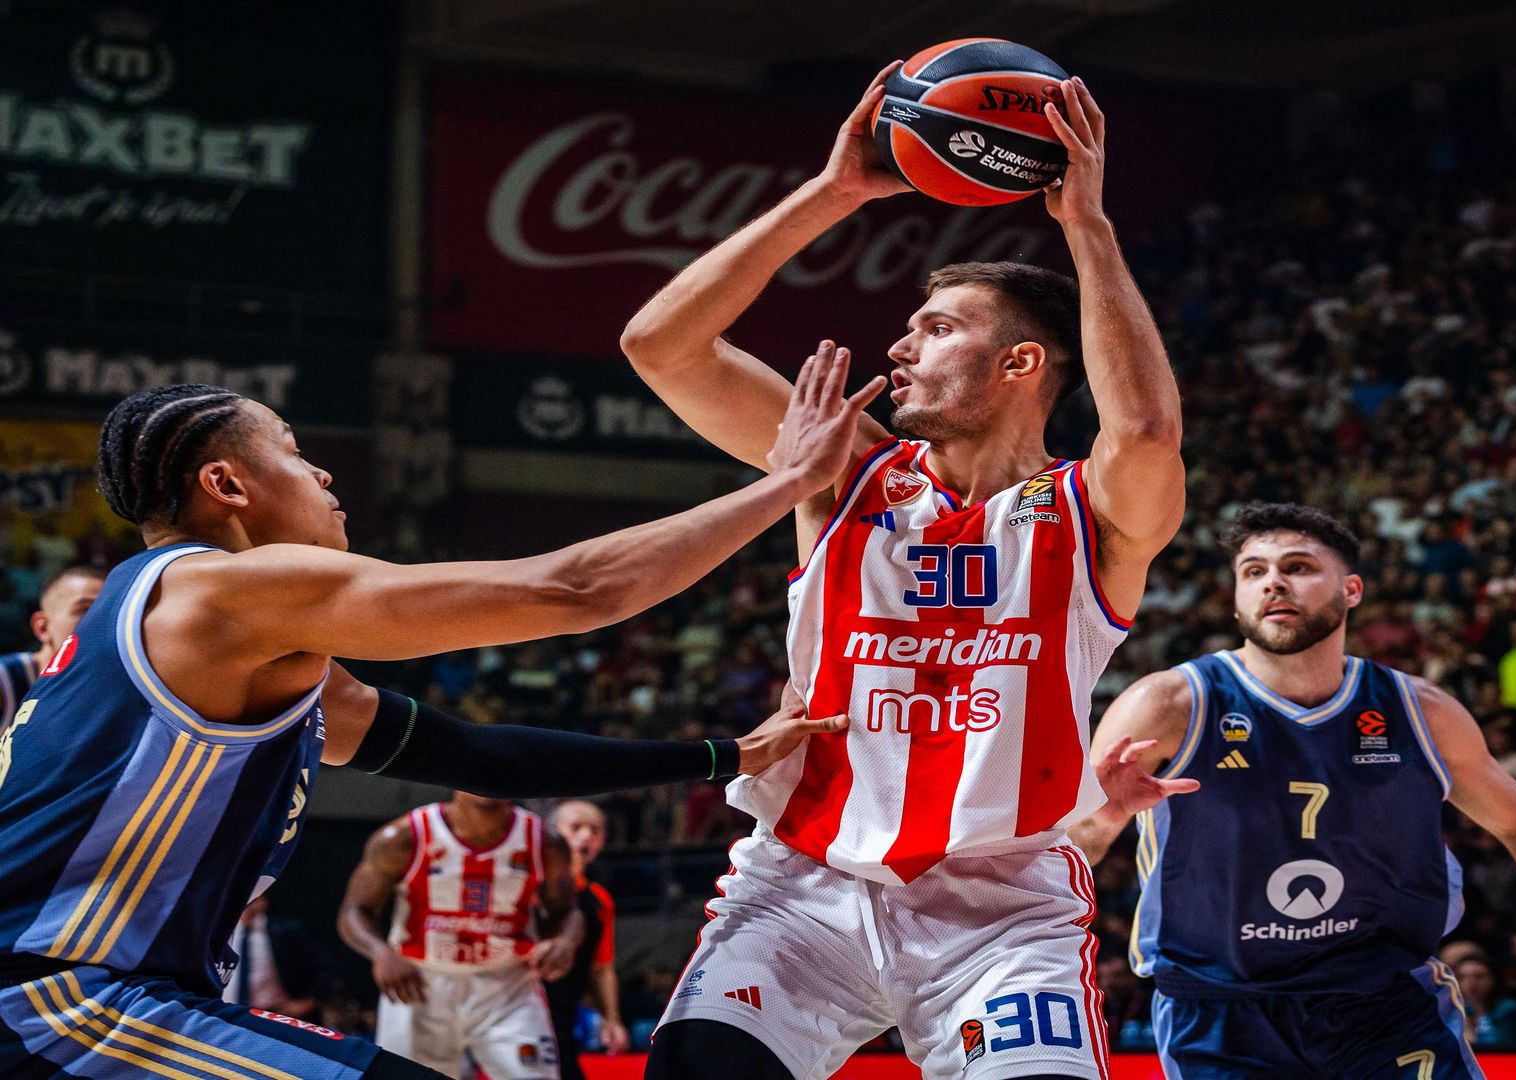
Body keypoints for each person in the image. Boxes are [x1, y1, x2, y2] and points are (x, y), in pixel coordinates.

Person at [0, 362, 874, 1078]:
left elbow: (483, 758)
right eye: (295, 454)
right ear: (226, 485)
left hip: (102, 999)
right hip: (59, 1002)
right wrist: (793, 482)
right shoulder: (218, 592)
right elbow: (575, 589)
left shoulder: (219, 639)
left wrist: (723, 755)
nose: (324, 475)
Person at [623, 65, 1184, 1080]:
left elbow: (1143, 430)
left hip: (1002, 906)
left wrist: (1086, 226)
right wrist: (832, 192)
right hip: (803, 889)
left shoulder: (1090, 512)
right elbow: (660, 345)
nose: (901, 345)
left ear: (1020, 365)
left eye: (939, 328)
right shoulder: (840, 467)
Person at [1070, 502, 1516, 1079]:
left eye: (1298, 567)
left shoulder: (1419, 711)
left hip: (1384, 1002)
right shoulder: (1168, 705)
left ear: (1351, 590)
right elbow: (1068, 846)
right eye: (1254, 571)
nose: (1274, 581)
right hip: (1223, 1009)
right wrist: (1102, 819)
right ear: (1237, 599)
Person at [338, 793, 580, 1078]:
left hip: (508, 984)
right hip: (421, 981)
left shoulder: (543, 840)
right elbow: (354, 911)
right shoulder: (404, 836)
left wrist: (564, 941)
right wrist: (380, 953)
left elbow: (568, 911)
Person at [546, 800, 627, 1077]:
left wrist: (612, 1019)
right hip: (524, 1011)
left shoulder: (599, 900)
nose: (586, 836)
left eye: (595, 830)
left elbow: (601, 968)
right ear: (553, 833)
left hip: (565, 1018)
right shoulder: (530, 884)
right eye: (576, 827)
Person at [0, 565, 105, 727]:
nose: (100, 621)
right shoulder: (6, 679)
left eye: (108, 612)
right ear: (43, 627)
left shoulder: (111, 685)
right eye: (85, 610)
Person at [223, 893, 320, 1021]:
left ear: (264, 902)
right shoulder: (218, 932)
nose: (247, 905)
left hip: (276, 1012)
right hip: (229, 1012)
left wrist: (310, 1000)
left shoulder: (285, 931)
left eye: (253, 900)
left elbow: (322, 965)